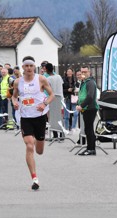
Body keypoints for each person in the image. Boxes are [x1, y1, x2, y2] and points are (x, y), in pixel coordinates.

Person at [11, 56, 55, 190]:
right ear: (23, 67)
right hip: (25, 118)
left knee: (39, 151)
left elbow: (52, 94)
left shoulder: (41, 79)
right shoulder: (17, 82)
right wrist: (15, 102)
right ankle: (34, 178)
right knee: (29, 146)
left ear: (34, 67)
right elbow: (14, 96)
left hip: (40, 116)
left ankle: (37, 139)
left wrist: (44, 103)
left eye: (31, 66)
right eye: (26, 66)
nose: (29, 68)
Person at [76, 66, 99, 156]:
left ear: (89, 72)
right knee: (87, 129)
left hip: (90, 108)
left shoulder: (90, 83)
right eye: (82, 72)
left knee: (89, 129)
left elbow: (90, 96)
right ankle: (89, 148)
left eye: (85, 72)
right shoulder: (84, 82)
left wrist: (81, 106)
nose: (83, 73)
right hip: (86, 108)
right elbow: (82, 94)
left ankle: (91, 149)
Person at [62, 67, 79, 134]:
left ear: (72, 72)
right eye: (68, 71)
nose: (69, 73)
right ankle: (66, 128)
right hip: (67, 98)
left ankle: (73, 127)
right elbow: (61, 90)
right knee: (66, 115)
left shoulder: (75, 80)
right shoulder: (63, 80)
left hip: (74, 98)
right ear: (66, 72)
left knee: (75, 113)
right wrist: (67, 90)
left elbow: (78, 87)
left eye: (70, 71)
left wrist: (75, 90)